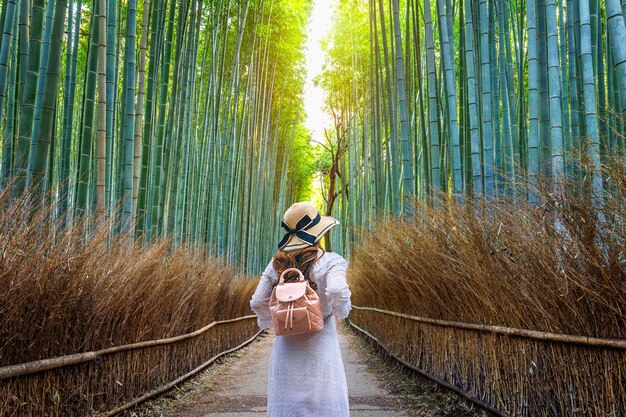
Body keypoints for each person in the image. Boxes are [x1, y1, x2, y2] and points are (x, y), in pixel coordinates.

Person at [250, 201, 352, 417]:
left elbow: (257, 301)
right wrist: (335, 311)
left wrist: (282, 316)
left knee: (288, 402)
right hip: (321, 341)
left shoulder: (276, 264)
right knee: (323, 400)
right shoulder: (331, 262)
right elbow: (337, 290)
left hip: (286, 345)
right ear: (318, 233)